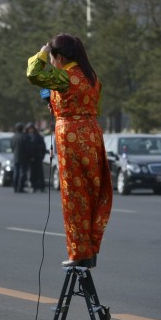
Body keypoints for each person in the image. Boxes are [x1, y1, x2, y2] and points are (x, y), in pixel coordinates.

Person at [26, 33, 113, 267]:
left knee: (74, 194)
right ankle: (91, 248)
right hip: (92, 135)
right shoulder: (93, 78)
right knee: (93, 192)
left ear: (59, 57)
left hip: (71, 137)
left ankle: (79, 252)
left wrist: (42, 51)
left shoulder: (64, 78)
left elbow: (33, 74)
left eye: (53, 58)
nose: (52, 62)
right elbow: (95, 107)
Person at [26, 122, 46, 192]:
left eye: (31, 128)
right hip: (31, 158)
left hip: (38, 157)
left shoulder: (39, 137)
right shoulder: (27, 136)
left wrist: (37, 149)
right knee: (32, 173)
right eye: (29, 129)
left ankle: (41, 186)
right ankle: (34, 186)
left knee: (40, 172)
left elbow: (43, 147)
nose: (30, 130)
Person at [11, 122, 30, 193]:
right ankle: (20, 187)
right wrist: (30, 156)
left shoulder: (13, 137)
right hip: (23, 158)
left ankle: (15, 187)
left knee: (16, 173)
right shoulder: (25, 136)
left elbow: (12, 147)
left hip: (16, 157)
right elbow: (28, 147)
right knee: (22, 173)